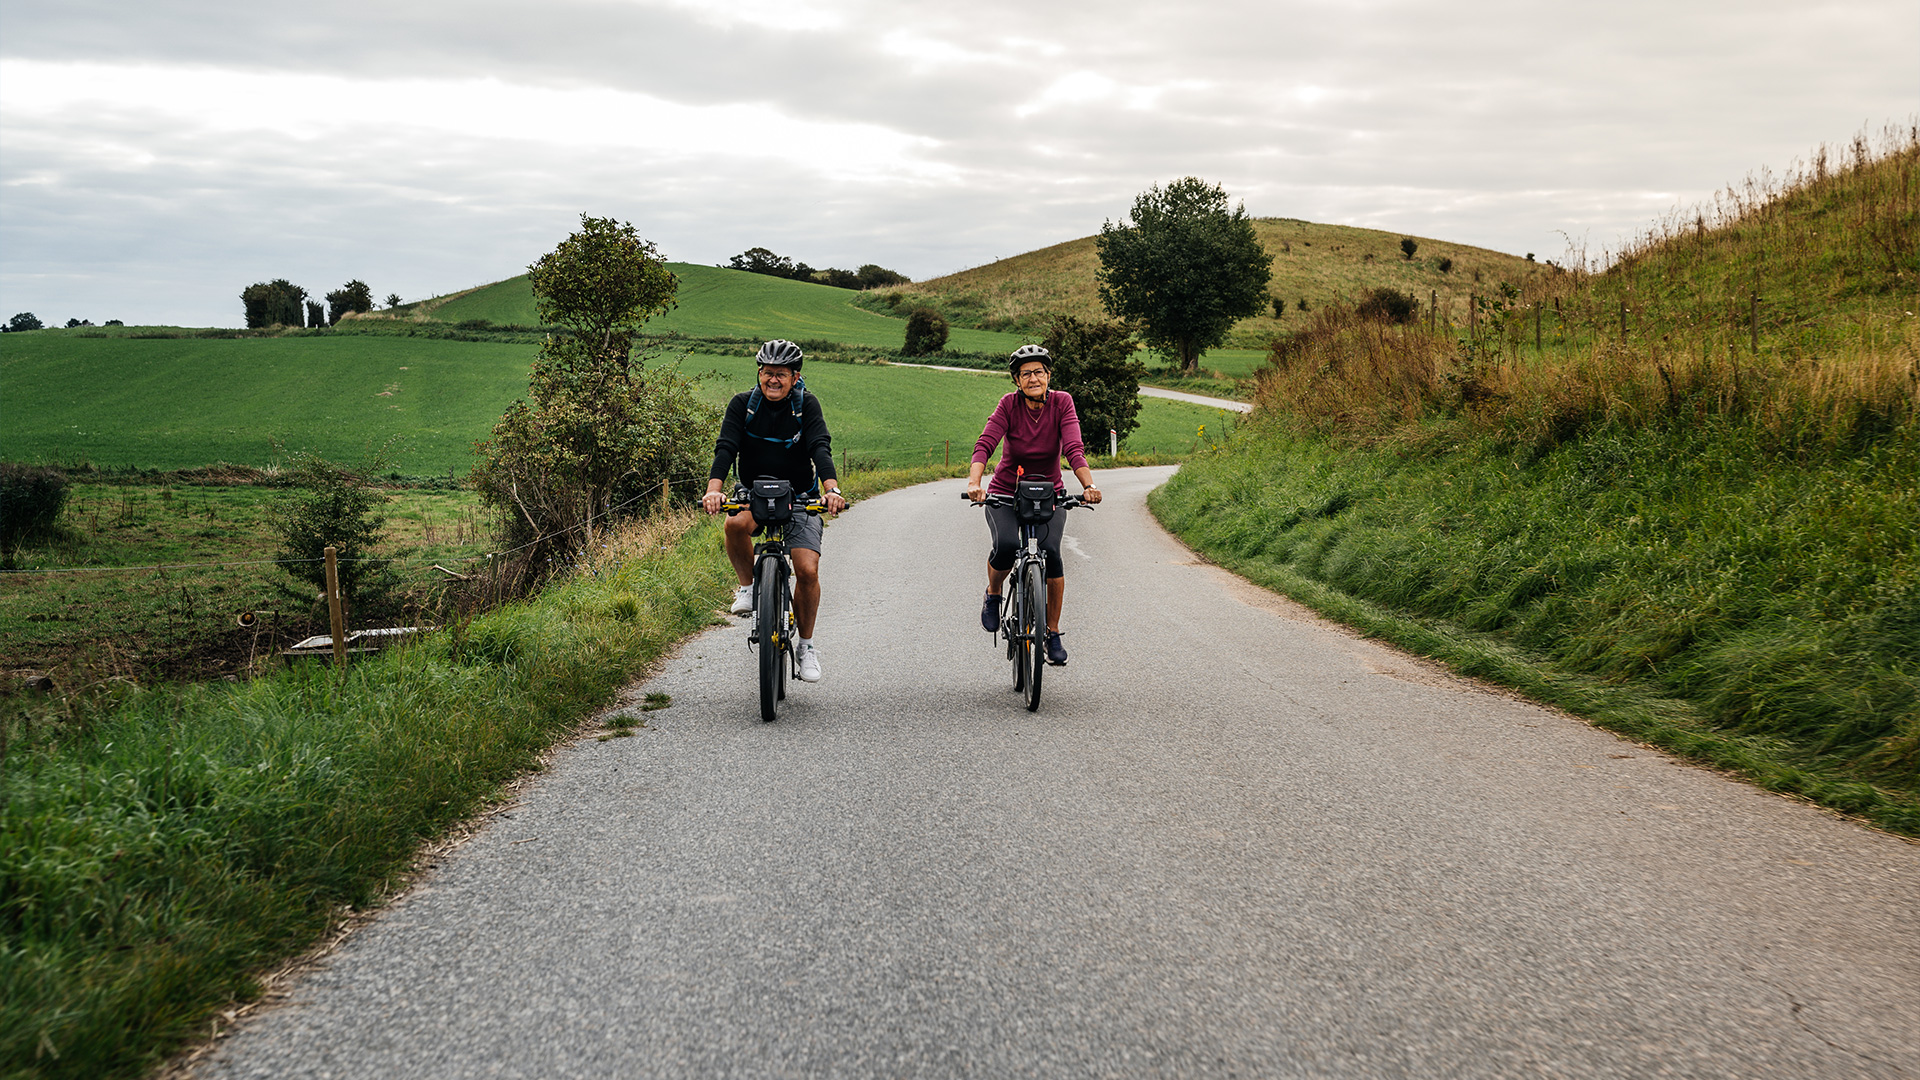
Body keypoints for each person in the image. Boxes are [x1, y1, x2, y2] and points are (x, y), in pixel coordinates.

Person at [703, 340, 847, 682]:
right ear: (759, 373)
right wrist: (713, 490)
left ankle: (806, 647)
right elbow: (726, 447)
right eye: (768, 373)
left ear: (795, 377)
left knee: (807, 569)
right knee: (734, 524)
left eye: (781, 374)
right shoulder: (742, 405)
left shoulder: (806, 405)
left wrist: (832, 490)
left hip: (799, 495)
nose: (773, 380)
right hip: (752, 492)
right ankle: (749, 588)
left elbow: (819, 447)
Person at [965, 344, 1103, 665]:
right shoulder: (1009, 406)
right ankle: (994, 595)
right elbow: (986, 443)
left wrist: (1089, 485)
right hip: (1005, 492)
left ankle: (1052, 632)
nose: (1033, 378)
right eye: (1025, 373)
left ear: (1048, 375)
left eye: (1038, 371)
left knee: (1052, 554)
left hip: (1050, 494)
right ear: (1016, 380)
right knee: (1006, 546)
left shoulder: (1062, 403)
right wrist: (975, 483)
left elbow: (1073, 448)